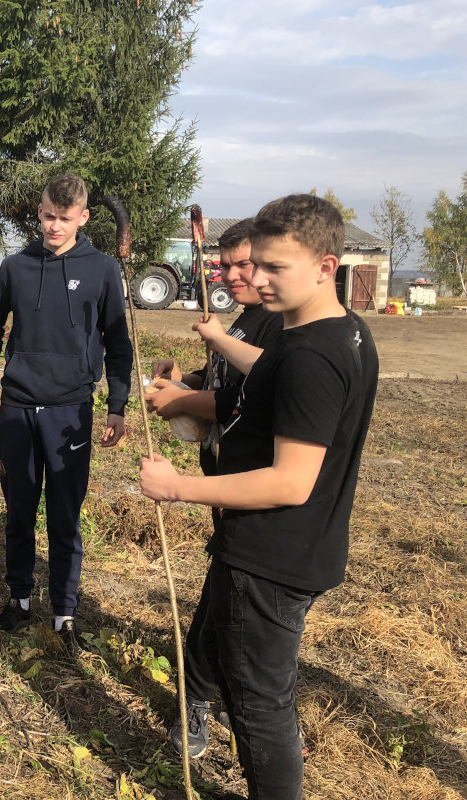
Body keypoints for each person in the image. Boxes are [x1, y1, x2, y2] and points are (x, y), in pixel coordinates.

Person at [139, 194, 379, 800]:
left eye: (277, 268)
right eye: (257, 264)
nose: (259, 280)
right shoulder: (340, 333)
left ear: (327, 266)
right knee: (249, 678)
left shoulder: (312, 358)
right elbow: (268, 370)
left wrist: (177, 488)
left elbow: (290, 480)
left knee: (259, 707)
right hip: (299, 547)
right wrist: (218, 341)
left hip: (268, 556)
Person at [143, 218, 284, 758]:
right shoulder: (245, 321)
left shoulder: (277, 329)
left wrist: (178, 403)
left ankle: (198, 694)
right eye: (224, 264)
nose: (231, 274)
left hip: (255, 484)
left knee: (223, 597)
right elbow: (220, 384)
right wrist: (184, 380)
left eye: (242, 264)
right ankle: (209, 690)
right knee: (226, 591)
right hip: (221, 478)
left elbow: (243, 401)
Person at [0, 173, 132, 649]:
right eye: (47, 215)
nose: (53, 226)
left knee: (65, 517)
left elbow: (118, 342)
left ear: (83, 218)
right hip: (18, 408)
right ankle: (19, 602)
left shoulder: (103, 269)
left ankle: (65, 614)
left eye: (64, 218)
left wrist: (117, 406)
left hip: (70, 412)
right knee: (19, 510)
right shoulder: (15, 266)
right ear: (38, 212)